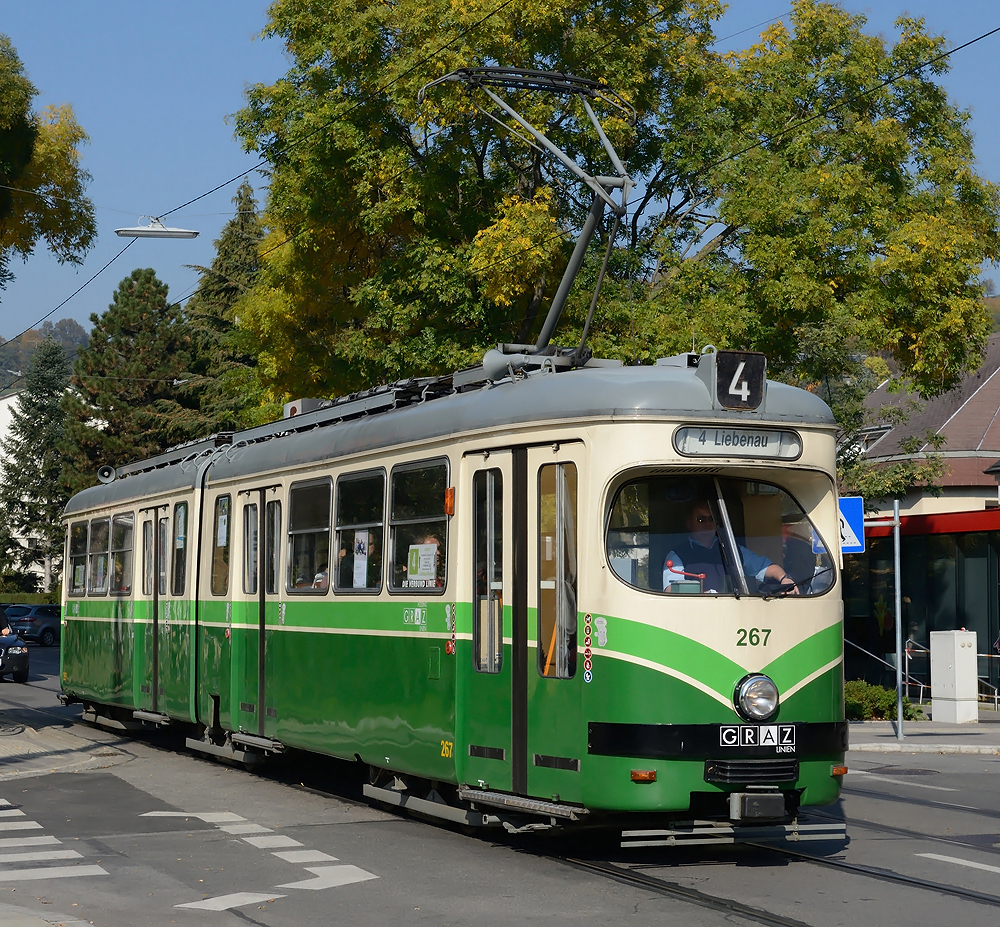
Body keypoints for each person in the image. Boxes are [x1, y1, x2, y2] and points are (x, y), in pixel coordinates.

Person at [663, 501, 797, 594]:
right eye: (700, 520)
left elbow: (765, 566)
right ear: (689, 523)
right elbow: (670, 589)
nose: (708, 524)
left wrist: (784, 578)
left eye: (711, 519)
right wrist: (706, 595)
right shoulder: (677, 555)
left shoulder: (733, 550)